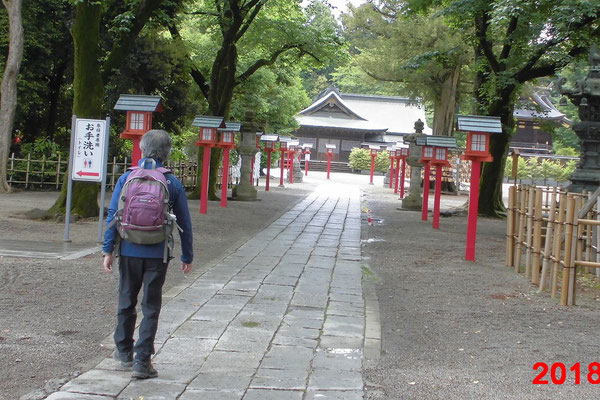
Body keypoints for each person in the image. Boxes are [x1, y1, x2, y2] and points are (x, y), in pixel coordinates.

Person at [102, 129, 193, 379]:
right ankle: (143, 362)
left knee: (126, 299)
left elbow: (113, 215)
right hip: (158, 252)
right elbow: (184, 221)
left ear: (142, 149)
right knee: (150, 305)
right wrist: (187, 255)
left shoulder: (127, 178)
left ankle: (123, 351)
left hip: (129, 249)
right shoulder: (171, 182)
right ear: (167, 152)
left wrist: (107, 249)